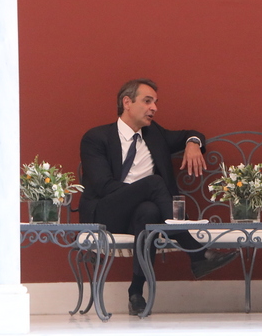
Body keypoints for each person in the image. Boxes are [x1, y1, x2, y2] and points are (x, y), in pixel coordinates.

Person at [78, 79, 236, 316]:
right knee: (153, 183)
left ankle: (136, 293)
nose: (154, 108)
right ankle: (196, 251)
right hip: (106, 213)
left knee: (149, 212)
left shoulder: (155, 135)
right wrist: (141, 189)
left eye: (155, 102)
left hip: (142, 215)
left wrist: (193, 144)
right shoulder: (96, 138)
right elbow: (103, 186)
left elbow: (192, 134)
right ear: (127, 103)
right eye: (147, 101)